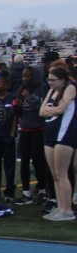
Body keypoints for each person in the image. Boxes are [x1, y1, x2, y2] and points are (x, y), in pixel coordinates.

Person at [39, 65, 76, 221]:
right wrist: (52, 110)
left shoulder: (70, 87)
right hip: (50, 134)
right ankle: (60, 207)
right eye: (49, 79)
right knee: (55, 175)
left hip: (64, 134)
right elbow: (41, 111)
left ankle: (67, 210)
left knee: (62, 174)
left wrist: (51, 111)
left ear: (62, 79)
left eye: (53, 80)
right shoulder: (51, 91)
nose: (50, 82)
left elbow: (61, 109)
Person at [14, 66, 48, 205]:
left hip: (39, 129)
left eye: (27, 76)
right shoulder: (21, 89)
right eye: (23, 76)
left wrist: (29, 97)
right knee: (24, 161)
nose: (24, 79)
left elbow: (43, 110)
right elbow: (18, 112)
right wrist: (17, 105)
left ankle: (42, 190)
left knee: (38, 161)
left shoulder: (42, 89)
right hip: (25, 128)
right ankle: (26, 192)